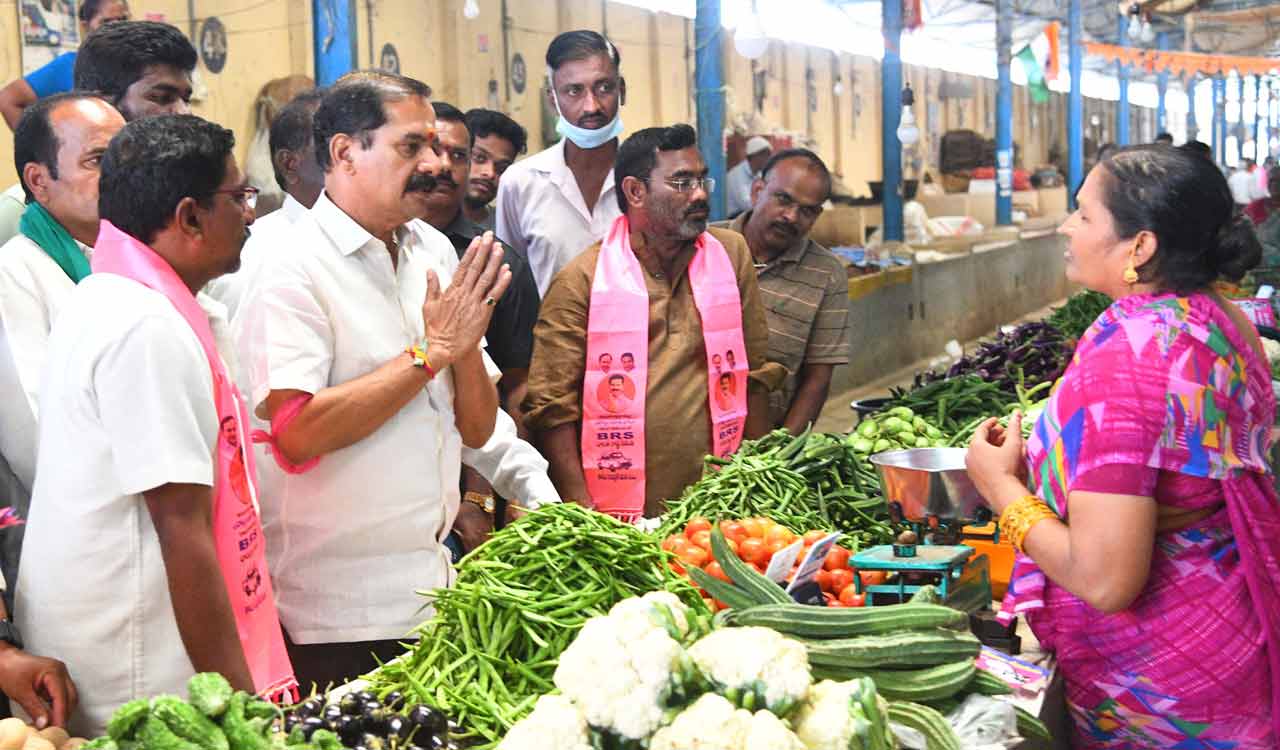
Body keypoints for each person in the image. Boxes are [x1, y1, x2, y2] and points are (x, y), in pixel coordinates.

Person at [965, 144, 1278, 748]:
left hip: (1158, 689)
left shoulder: (1131, 355)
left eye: (1083, 215)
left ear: (1140, 247)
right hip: (1223, 636)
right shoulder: (1216, 317)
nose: (1065, 225)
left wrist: (999, 485)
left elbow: (1108, 579)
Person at [233, 75, 528, 689]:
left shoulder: (433, 251)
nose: (436, 164)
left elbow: (476, 426)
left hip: (431, 589)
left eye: (441, 149)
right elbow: (297, 433)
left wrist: (463, 349)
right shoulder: (287, 261)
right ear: (344, 153)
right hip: (331, 613)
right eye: (411, 147)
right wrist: (429, 353)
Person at [17, 114, 297, 736]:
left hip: (126, 623)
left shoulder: (127, 297)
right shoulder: (142, 324)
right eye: (239, 198)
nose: (250, 214)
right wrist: (242, 710)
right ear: (190, 216)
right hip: (134, 648)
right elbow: (182, 527)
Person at [524, 124, 783, 521]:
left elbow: (756, 374)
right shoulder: (582, 280)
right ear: (635, 192)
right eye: (681, 182)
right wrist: (583, 512)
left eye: (701, 180)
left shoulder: (730, 256)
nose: (699, 194)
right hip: (621, 511)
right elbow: (552, 408)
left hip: (720, 499)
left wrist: (759, 488)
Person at [0, 93, 125, 533]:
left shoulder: (133, 256)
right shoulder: (15, 274)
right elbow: (34, 437)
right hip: (80, 528)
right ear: (38, 180)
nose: (120, 174)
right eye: (97, 160)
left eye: (126, 156)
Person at [0, 21, 196, 247]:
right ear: (101, 103)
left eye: (186, 99)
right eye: (161, 97)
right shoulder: (18, 214)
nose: (184, 113)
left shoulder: (177, 201)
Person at [713, 148, 850, 433]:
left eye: (807, 210)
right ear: (757, 190)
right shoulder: (706, 246)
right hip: (695, 434)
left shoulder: (827, 274)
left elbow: (817, 379)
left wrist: (779, 454)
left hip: (767, 434)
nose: (791, 216)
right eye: (784, 199)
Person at [418, 102, 540, 410]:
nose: (444, 166)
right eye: (433, 150)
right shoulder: (378, 244)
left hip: (480, 443)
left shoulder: (500, 263)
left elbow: (517, 382)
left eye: (459, 155)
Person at [497, 30, 625, 295]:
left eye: (604, 88)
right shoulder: (521, 182)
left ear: (621, 90)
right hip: (552, 336)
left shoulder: (650, 177)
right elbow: (512, 284)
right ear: (552, 100)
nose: (591, 106)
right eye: (574, 91)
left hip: (641, 336)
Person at [206, 89, 325, 320]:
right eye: (332, 146)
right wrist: (416, 356)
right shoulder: (255, 257)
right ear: (289, 164)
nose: (352, 158)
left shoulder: (405, 237)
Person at [0, 0, 130, 130]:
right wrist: (39, 146)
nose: (118, 28)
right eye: (106, 22)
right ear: (85, 26)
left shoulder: (139, 64)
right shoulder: (69, 65)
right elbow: (8, 99)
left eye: (123, 19)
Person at [463, 108, 527, 230]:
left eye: (502, 168)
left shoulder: (508, 231)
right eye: (479, 158)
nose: (490, 173)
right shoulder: (424, 222)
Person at [725, 136, 771, 218]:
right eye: (765, 155)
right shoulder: (737, 175)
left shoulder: (759, 174)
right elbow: (746, 205)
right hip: (735, 217)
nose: (768, 159)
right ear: (754, 155)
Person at [1246, 166, 1280, 268]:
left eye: (1278, 181)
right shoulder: (1255, 206)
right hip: (1258, 266)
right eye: (1271, 181)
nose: (1274, 184)